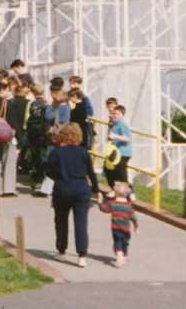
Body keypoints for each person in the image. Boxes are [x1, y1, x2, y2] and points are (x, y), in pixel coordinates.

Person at [44, 122, 96, 267]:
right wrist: (96, 189)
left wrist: (58, 177)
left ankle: (61, 250)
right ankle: (82, 255)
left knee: (61, 221)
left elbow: (48, 171)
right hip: (81, 189)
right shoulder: (83, 152)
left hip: (62, 189)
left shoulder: (56, 152)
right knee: (81, 223)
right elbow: (90, 172)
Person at [100, 180, 139, 266]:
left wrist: (102, 200)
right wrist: (136, 227)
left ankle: (119, 254)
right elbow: (133, 217)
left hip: (115, 228)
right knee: (125, 242)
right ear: (127, 194)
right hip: (126, 229)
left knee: (117, 241)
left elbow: (104, 209)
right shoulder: (129, 206)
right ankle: (124, 256)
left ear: (115, 193)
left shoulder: (112, 203)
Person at [104, 103, 133, 187]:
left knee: (121, 174)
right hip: (116, 153)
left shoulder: (122, 124)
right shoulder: (115, 124)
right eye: (114, 114)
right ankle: (116, 190)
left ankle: (129, 193)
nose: (114, 115)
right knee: (109, 170)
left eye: (117, 114)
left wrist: (115, 136)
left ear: (122, 115)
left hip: (123, 153)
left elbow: (127, 138)